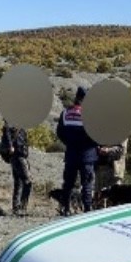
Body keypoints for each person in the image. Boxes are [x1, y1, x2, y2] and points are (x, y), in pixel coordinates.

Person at [55, 85, 98, 215]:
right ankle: (87, 209)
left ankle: (66, 208)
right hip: (87, 155)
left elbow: (60, 133)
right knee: (87, 184)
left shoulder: (65, 114)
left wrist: (69, 143)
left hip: (71, 154)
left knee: (68, 183)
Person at [2, 123, 32, 215]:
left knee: (18, 182)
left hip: (18, 155)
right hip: (18, 155)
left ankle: (16, 207)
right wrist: (10, 146)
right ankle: (22, 207)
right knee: (27, 181)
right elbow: (6, 131)